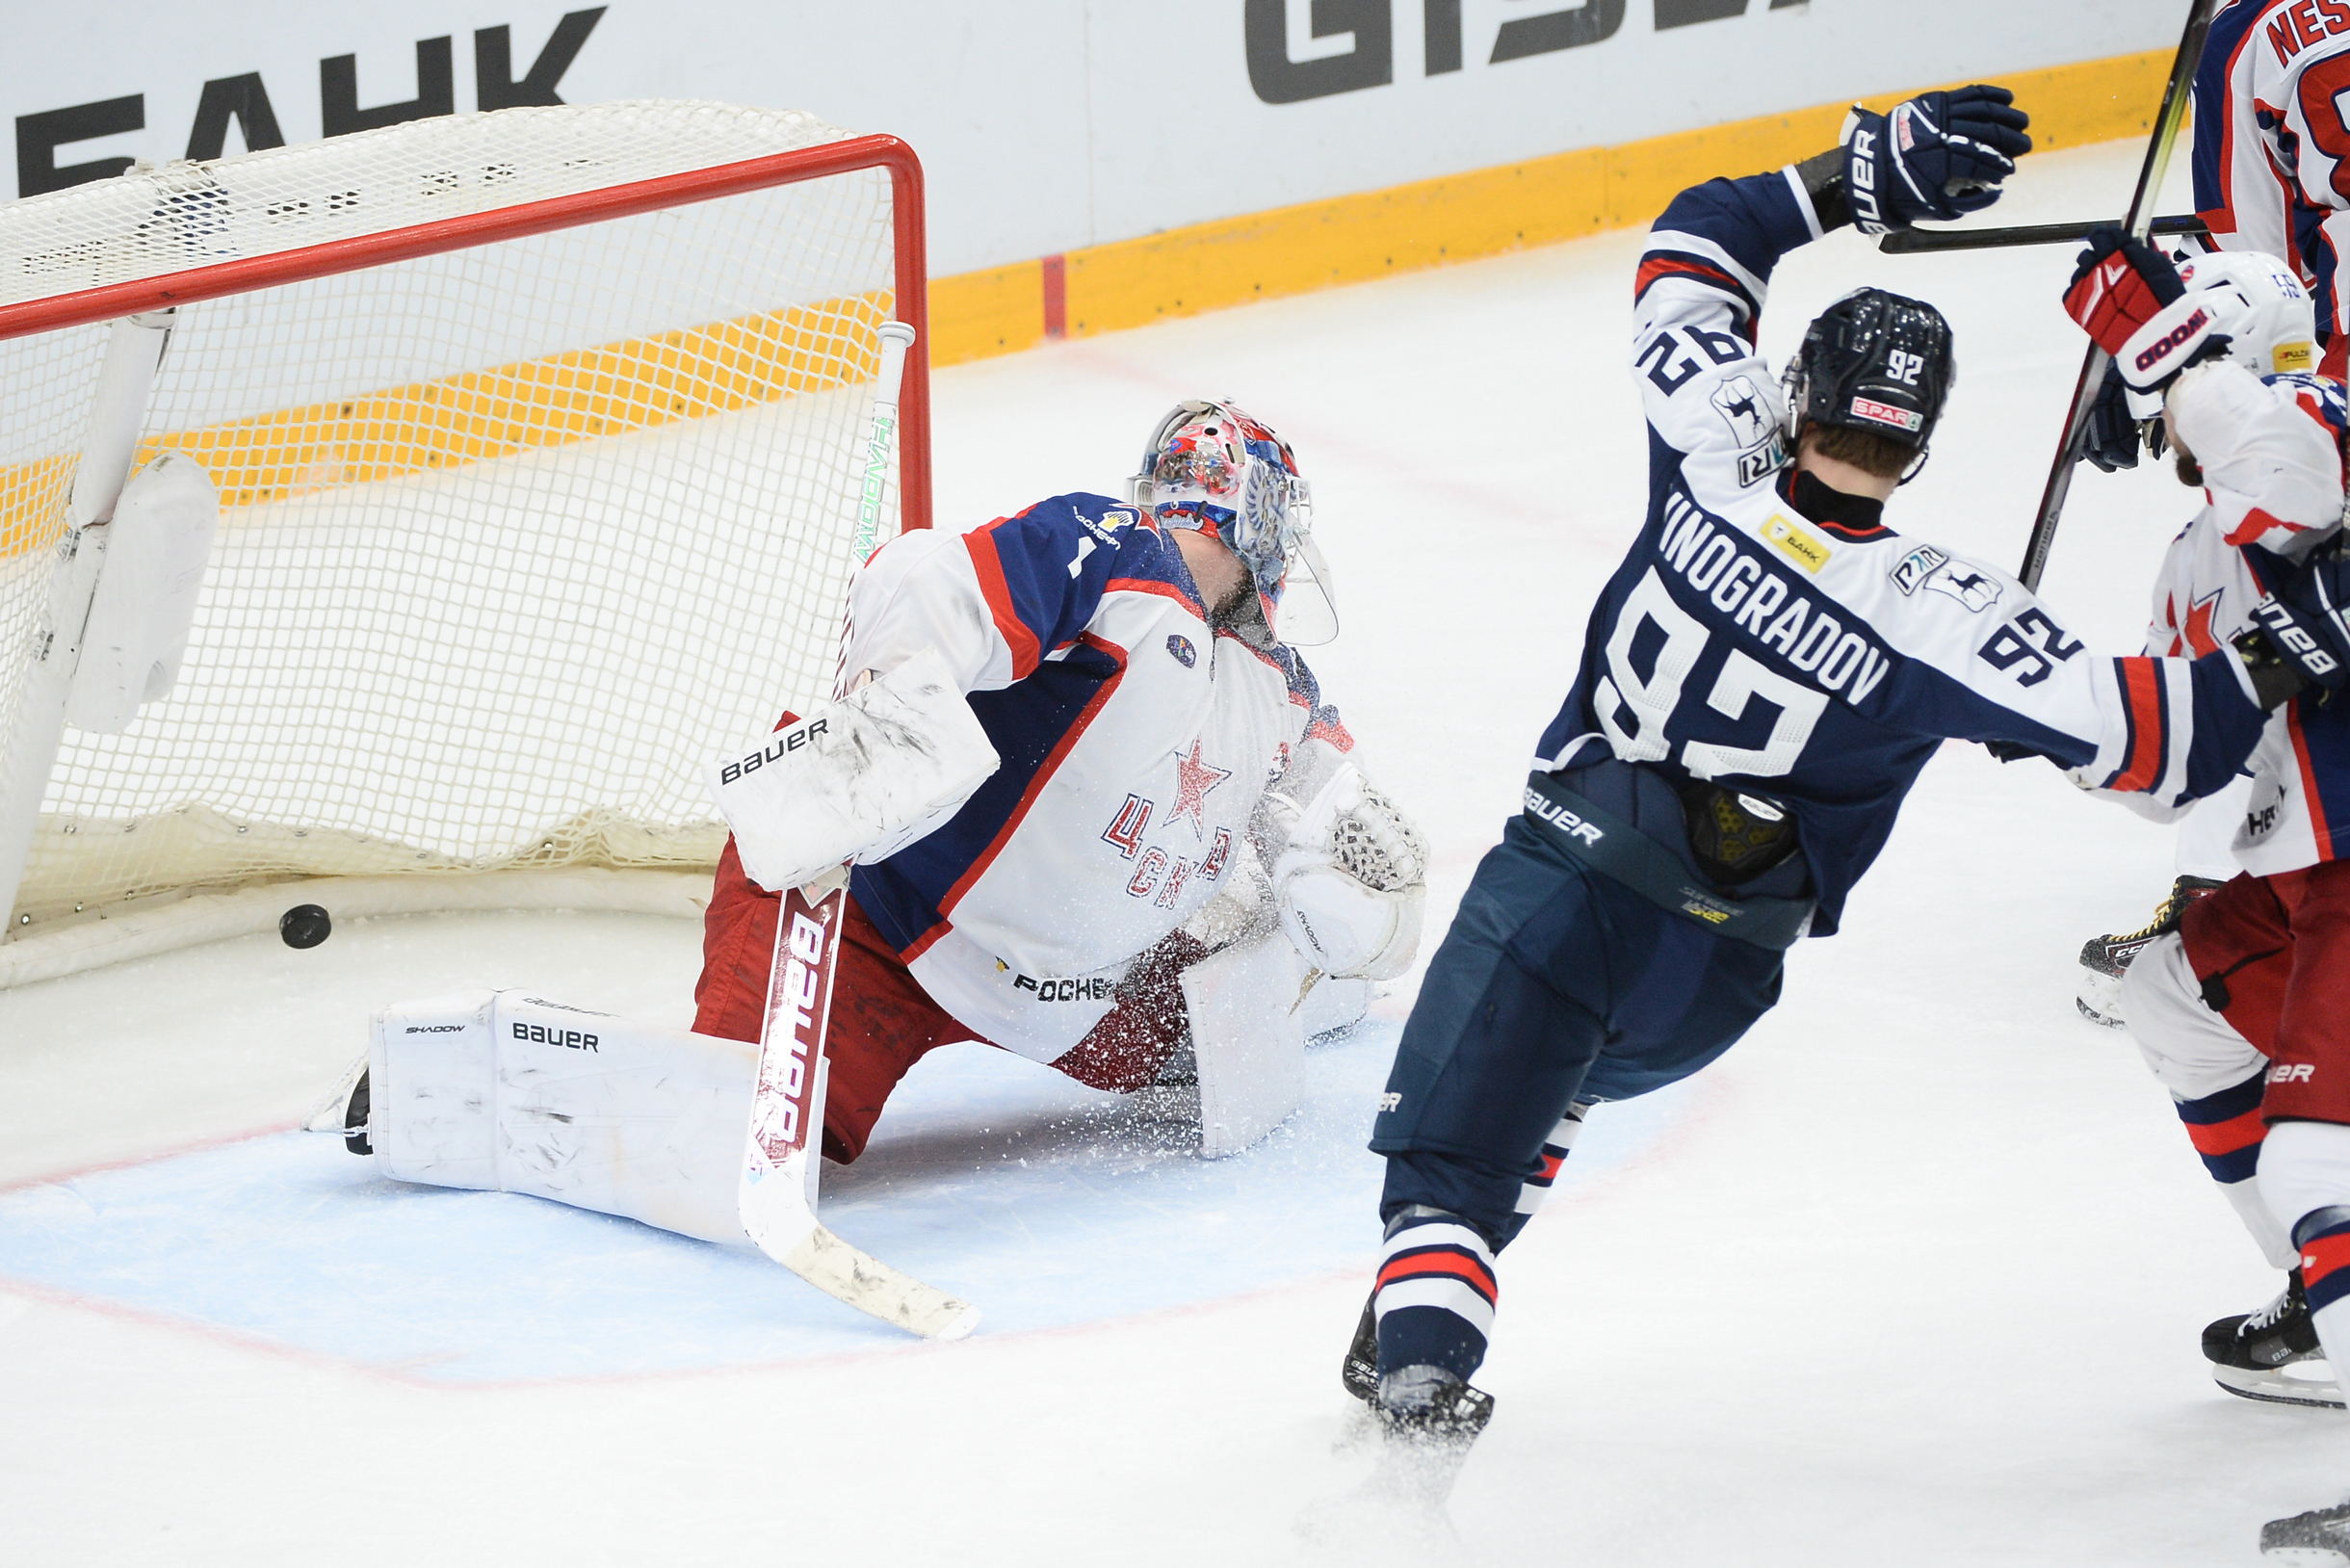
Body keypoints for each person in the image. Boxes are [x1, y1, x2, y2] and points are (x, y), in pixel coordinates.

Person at [1339, 86, 2319, 1481]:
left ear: (1794, 390)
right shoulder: (1941, 611)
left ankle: (1417, 1404)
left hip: (1562, 883)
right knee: (1550, 1091)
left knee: (1453, 1155)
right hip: (1723, 975)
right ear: (1919, 443)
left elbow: (1694, 244)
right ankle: (1431, 1298)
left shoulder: (1715, 444)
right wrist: (2290, 627)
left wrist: (1858, 177)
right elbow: (2170, 745)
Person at [691, 401, 1426, 1164]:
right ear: (1269, 522)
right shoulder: (1117, 551)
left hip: (1079, 1001)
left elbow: (1361, 848)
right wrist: (890, 703)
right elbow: (928, 578)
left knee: (1235, 1006)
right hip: (873, 925)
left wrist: (1358, 913)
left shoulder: (1284, 688)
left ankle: (1316, 996)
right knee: (724, 1145)